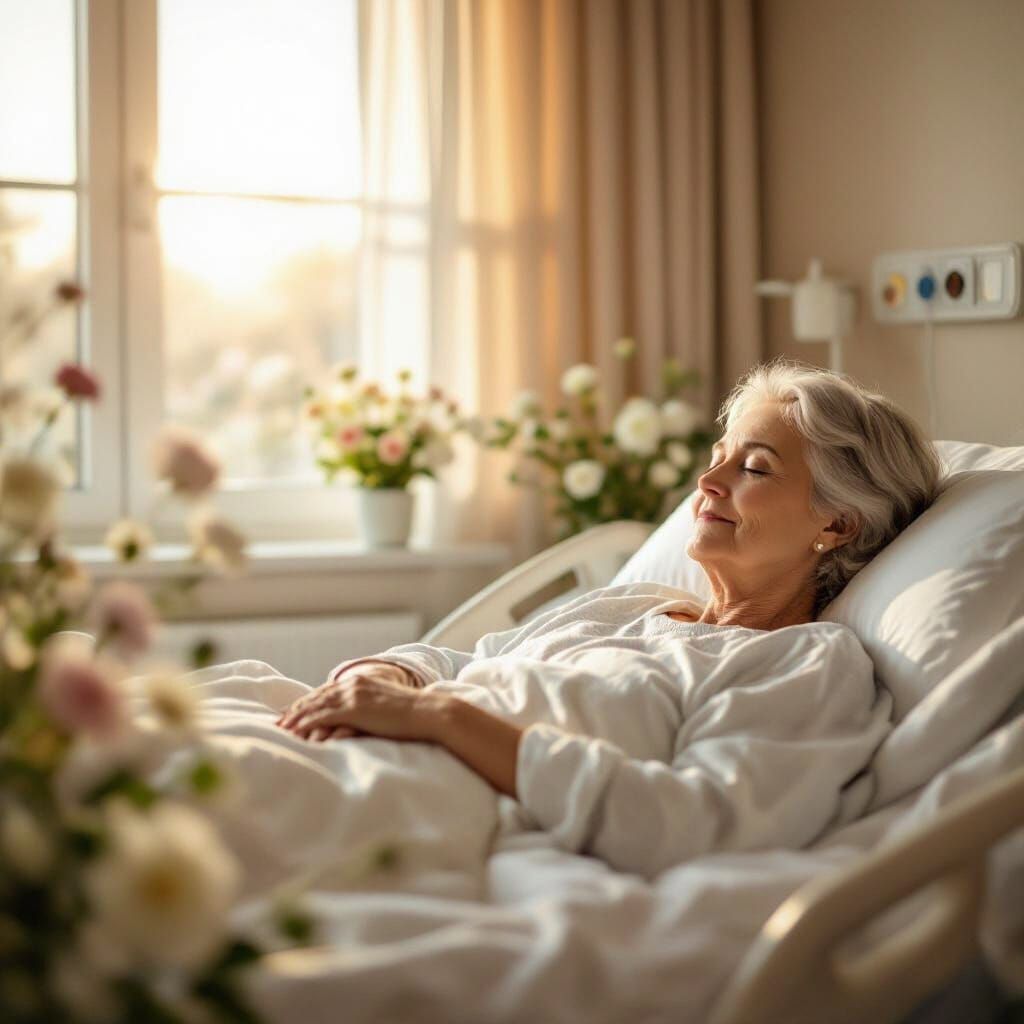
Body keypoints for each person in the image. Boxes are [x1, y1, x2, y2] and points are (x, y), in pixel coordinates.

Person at [276, 362, 942, 878]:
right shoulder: (631, 604)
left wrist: (436, 718)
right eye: (718, 457)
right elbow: (460, 662)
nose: (707, 483)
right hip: (349, 752)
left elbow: (688, 824)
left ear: (836, 522)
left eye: (755, 468)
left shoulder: (805, 664)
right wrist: (381, 675)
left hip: (427, 809)